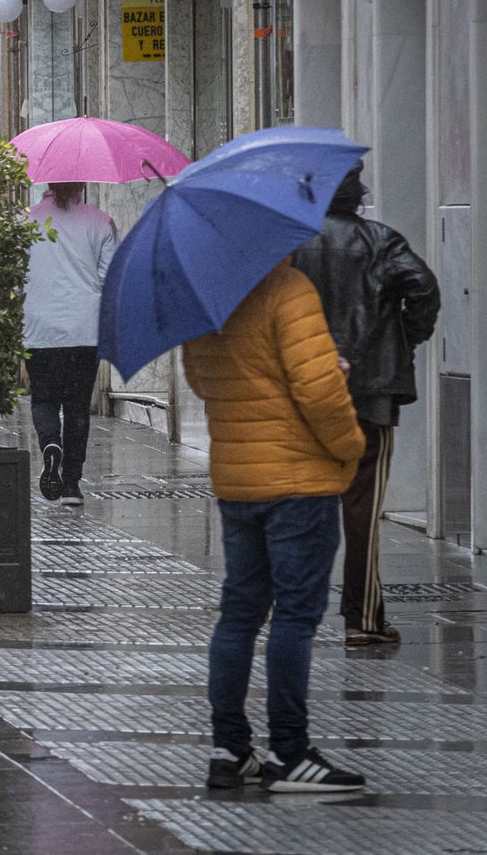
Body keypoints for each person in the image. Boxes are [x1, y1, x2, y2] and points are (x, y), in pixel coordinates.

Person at [184, 260, 368, 793]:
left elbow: (201, 379)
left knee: (239, 613)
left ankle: (229, 749)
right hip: (299, 483)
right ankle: (289, 753)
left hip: (239, 480)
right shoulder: (285, 288)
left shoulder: (205, 294)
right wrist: (351, 446)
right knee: (294, 615)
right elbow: (317, 393)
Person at [291, 163, 440, 647]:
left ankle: (293, 612)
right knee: (362, 510)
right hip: (370, 392)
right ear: (358, 196)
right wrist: (404, 340)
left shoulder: (291, 245)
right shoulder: (381, 241)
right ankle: (363, 619)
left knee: (300, 505)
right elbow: (423, 288)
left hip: (307, 390)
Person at [23, 182, 117, 505]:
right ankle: (71, 485)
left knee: (44, 400)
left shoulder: (27, 223)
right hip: (84, 330)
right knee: (78, 406)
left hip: (39, 330)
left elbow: (17, 277)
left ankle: (51, 444)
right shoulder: (100, 223)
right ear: (82, 184)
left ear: (48, 184)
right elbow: (110, 280)